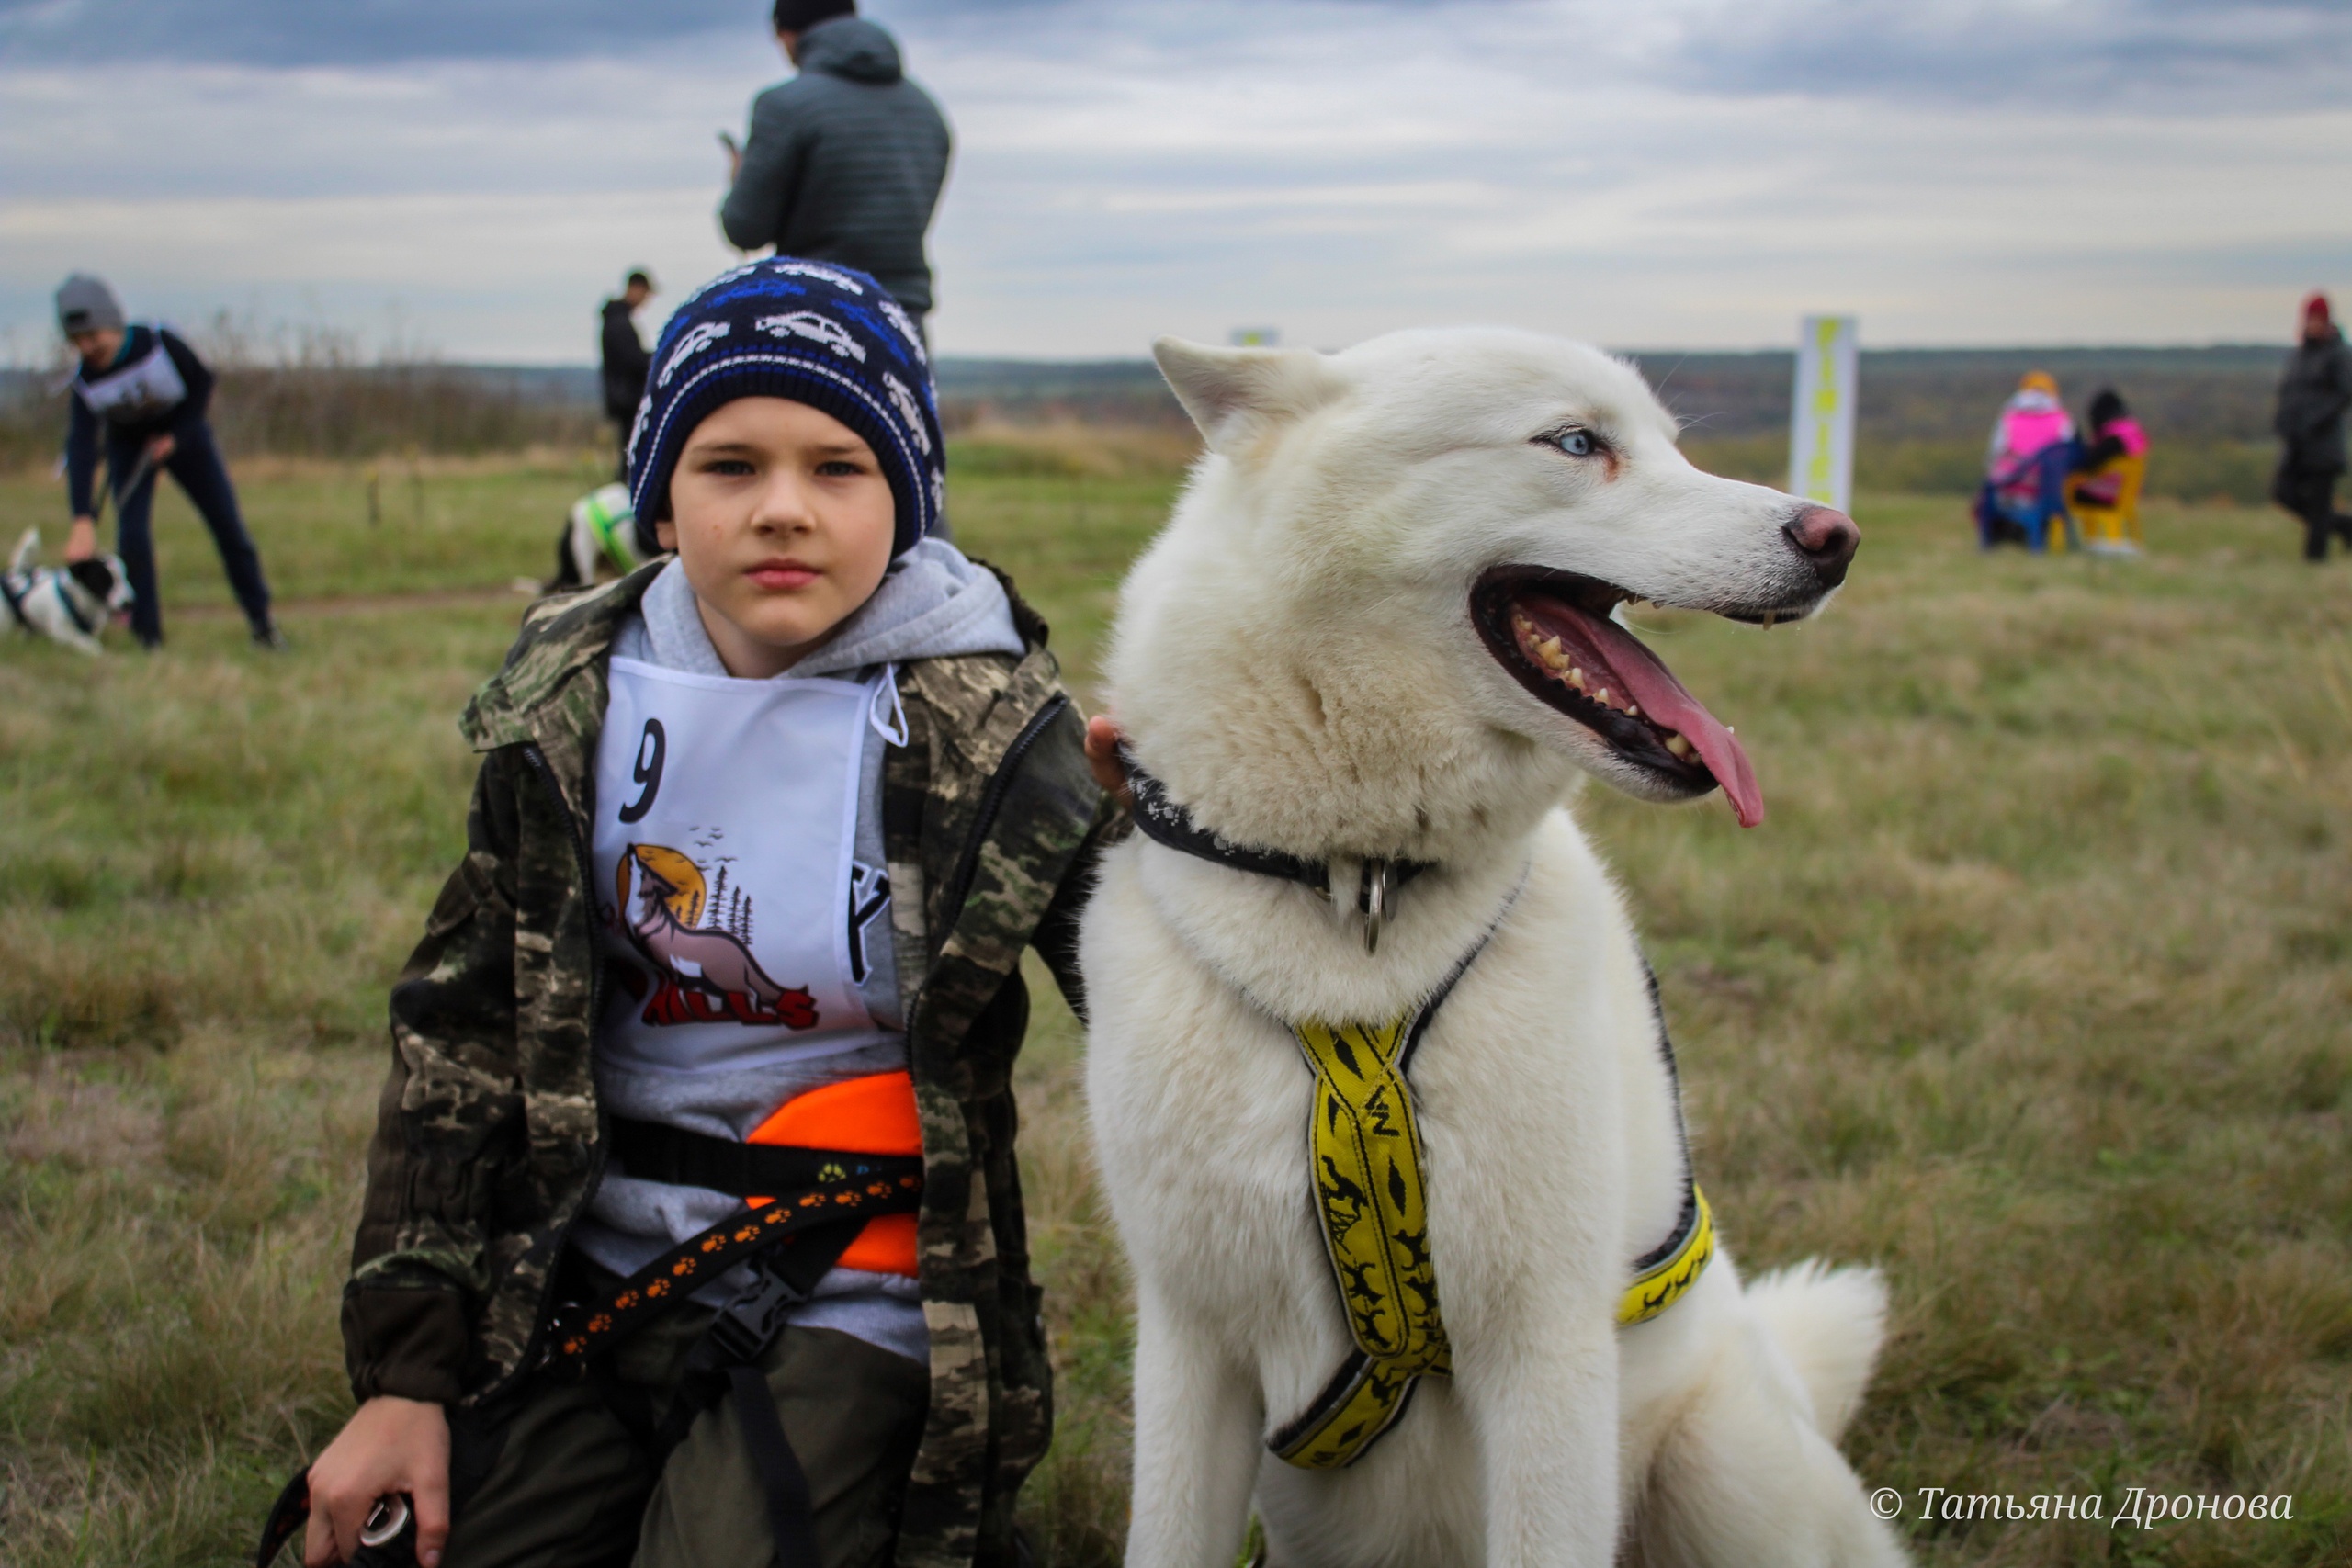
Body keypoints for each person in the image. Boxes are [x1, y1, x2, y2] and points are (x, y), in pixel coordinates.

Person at [298, 260, 1115, 1568]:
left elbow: (1168, 995)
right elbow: (458, 1037)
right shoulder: (563, 708)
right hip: (585, 1277)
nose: (784, 509)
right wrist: (408, 1373)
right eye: (730, 464)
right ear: (661, 505)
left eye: (839, 466)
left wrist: (1192, 832)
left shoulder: (996, 729)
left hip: (859, 1281)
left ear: (905, 502)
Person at [55, 273, 277, 649]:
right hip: (128, 448)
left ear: (113, 323)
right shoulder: (85, 381)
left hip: (186, 439)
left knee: (229, 528)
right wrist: (82, 517)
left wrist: (177, 436)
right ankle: (148, 638)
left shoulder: (158, 344)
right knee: (133, 540)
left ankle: (262, 625)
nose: (88, 347)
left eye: (94, 336)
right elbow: (81, 445)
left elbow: (203, 383)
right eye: (78, 341)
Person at [719, 1, 952, 340]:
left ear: (789, 33)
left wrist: (741, 177)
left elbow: (745, 230)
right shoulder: (926, 109)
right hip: (904, 323)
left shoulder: (783, 105)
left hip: (816, 319)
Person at [2271, 291, 2352, 562]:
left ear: (2327, 321)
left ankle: (2315, 562)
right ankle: (2344, 526)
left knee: (2319, 504)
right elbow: (2289, 392)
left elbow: (2345, 394)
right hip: (2297, 442)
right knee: (2283, 492)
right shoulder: (2300, 354)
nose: (2312, 324)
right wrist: (2284, 420)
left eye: (2318, 319)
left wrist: (2315, 420)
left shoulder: (2338, 354)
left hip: (2323, 443)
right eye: (2309, 319)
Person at [1973, 369, 2077, 552]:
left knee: (1987, 495)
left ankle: (1994, 539)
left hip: (2015, 489)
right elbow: (2069, 455)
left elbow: (1994, 455)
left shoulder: (2009, 419)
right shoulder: (2062, 420)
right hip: (2052, 491)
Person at [2066, 388, 2150, 557]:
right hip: (2127, 494)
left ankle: (2080, 542)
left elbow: (2089, 465)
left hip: (2107, 496)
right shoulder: (2132, 432)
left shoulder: (2113, 438)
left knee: (2069, 488)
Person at [601, 270, 657, 479]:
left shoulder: (617, 319)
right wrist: (659, 359)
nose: (646, 300)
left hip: (624, 399)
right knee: (631, 457)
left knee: (629, 454)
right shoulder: (619, 323)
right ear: (636, 289)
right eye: (646, 294)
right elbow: (633, 361)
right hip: (628, 400)